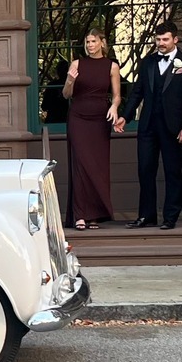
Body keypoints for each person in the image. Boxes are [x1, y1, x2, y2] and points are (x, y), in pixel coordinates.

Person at [116, 20, 182, 229]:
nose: (161, 43)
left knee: (173, 171)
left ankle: (170, 217)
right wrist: (125, 116)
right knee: (145, 170)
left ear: (175, 39)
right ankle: (146, 216)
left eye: (165, 39)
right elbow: (137, 92)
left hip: (175, 127)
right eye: (158, 39)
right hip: (148, 125)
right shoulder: (148, 62)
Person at [62, 29, 122, 229]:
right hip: (78, 118)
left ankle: (95, 215)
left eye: (93, 41)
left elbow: (117, 95)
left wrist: (114, 107)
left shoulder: (112, 66)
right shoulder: (76, 64)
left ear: (102, 43)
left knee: (97, 166)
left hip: (100, 119)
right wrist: (70, 80)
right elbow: (66, 94)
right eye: (87, 42)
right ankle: (79, 215)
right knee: (80, 165)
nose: (89, 45)